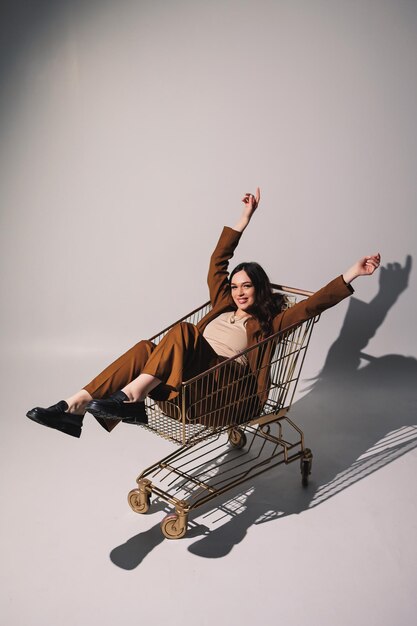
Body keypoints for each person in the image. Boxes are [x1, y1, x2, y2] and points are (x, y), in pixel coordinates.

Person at [26, 188, 381, 438]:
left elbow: (312, 305)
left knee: (183, 331)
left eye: (248, 286)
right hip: (189, 383)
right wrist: (243, 219)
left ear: (260, 289)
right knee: (143, 349)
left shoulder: (269, 323)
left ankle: (130, 399)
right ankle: (74, 407)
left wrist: (352, 273)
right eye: (236, 286)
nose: (240, 292)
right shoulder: (223, 304)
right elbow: (217, 263)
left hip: (228, 391)